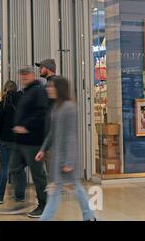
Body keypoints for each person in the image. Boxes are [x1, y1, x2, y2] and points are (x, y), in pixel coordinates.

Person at [35, 77, 96, 221]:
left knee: (65, 189)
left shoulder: (69, 107)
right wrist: (43, 149)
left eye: (51, 87)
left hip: (66, 159)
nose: (48, 89)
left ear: (59, 89)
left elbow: (70, 135)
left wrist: (69, 161)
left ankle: (88, 216)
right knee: (64, 189)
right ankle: (89, 216)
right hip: (58, 157)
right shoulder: (56, 107)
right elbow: (52, 133)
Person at [0, 66, 48, 218]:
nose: (24, 77)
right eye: (22, 74)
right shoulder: (25, 92)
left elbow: (42, 114)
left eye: (27, 74)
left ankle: (44, 205)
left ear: (33, 75)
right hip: (20, 142)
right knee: (13, 168)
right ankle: (20, 200)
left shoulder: (38, 91)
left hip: (33, 141)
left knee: (38, 175)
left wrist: (27, 126)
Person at [0, 80, 23, 205]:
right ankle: (20, 196)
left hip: (6, 141)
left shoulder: (3, 104)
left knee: (4, 168)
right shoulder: (22, 103)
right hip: (19, 141)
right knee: (19, 169)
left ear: (4, 90)